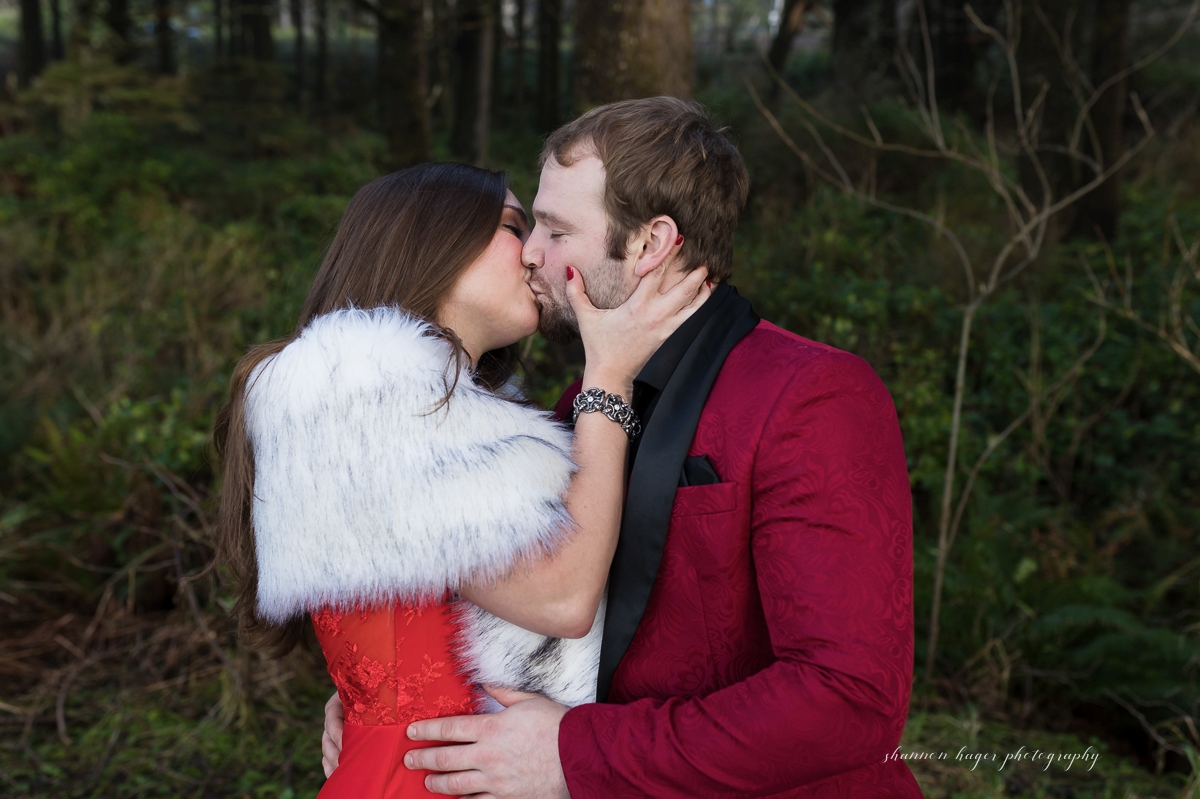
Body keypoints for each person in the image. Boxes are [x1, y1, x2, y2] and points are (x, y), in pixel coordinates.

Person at [323, 98, 925, 797]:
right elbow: (510, 607)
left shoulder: (814, 395)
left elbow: (849, 699)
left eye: (554, 228)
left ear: (650, 243)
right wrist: (383, 693)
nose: (531, 252)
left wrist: (578, 755)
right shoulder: (574, 408)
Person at [214, 161, 711, 798]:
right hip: (424, 779)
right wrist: (609, 377)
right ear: (431, 243)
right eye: (511, 227)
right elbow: (560, 599)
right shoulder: (362, 397)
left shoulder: (413, 411)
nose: (535, 255)